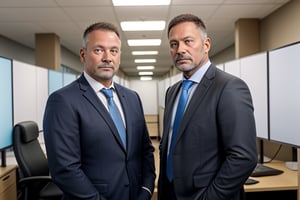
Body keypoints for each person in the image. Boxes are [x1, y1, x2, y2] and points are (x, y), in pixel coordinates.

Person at [43, 22, 156, 200]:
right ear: (83, 54)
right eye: (98, 50)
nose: (107, 57)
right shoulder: (63, 101)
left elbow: (146, 151)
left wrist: (146, 189)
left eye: (113, 51)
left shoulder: (132, 97)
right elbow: (65, 170)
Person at [157, 14, 257, 200]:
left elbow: (243, 157)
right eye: (174, 44)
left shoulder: (229, 87)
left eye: (188, 41)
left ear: (206, 44)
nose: (180, 49)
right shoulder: (172, 92)